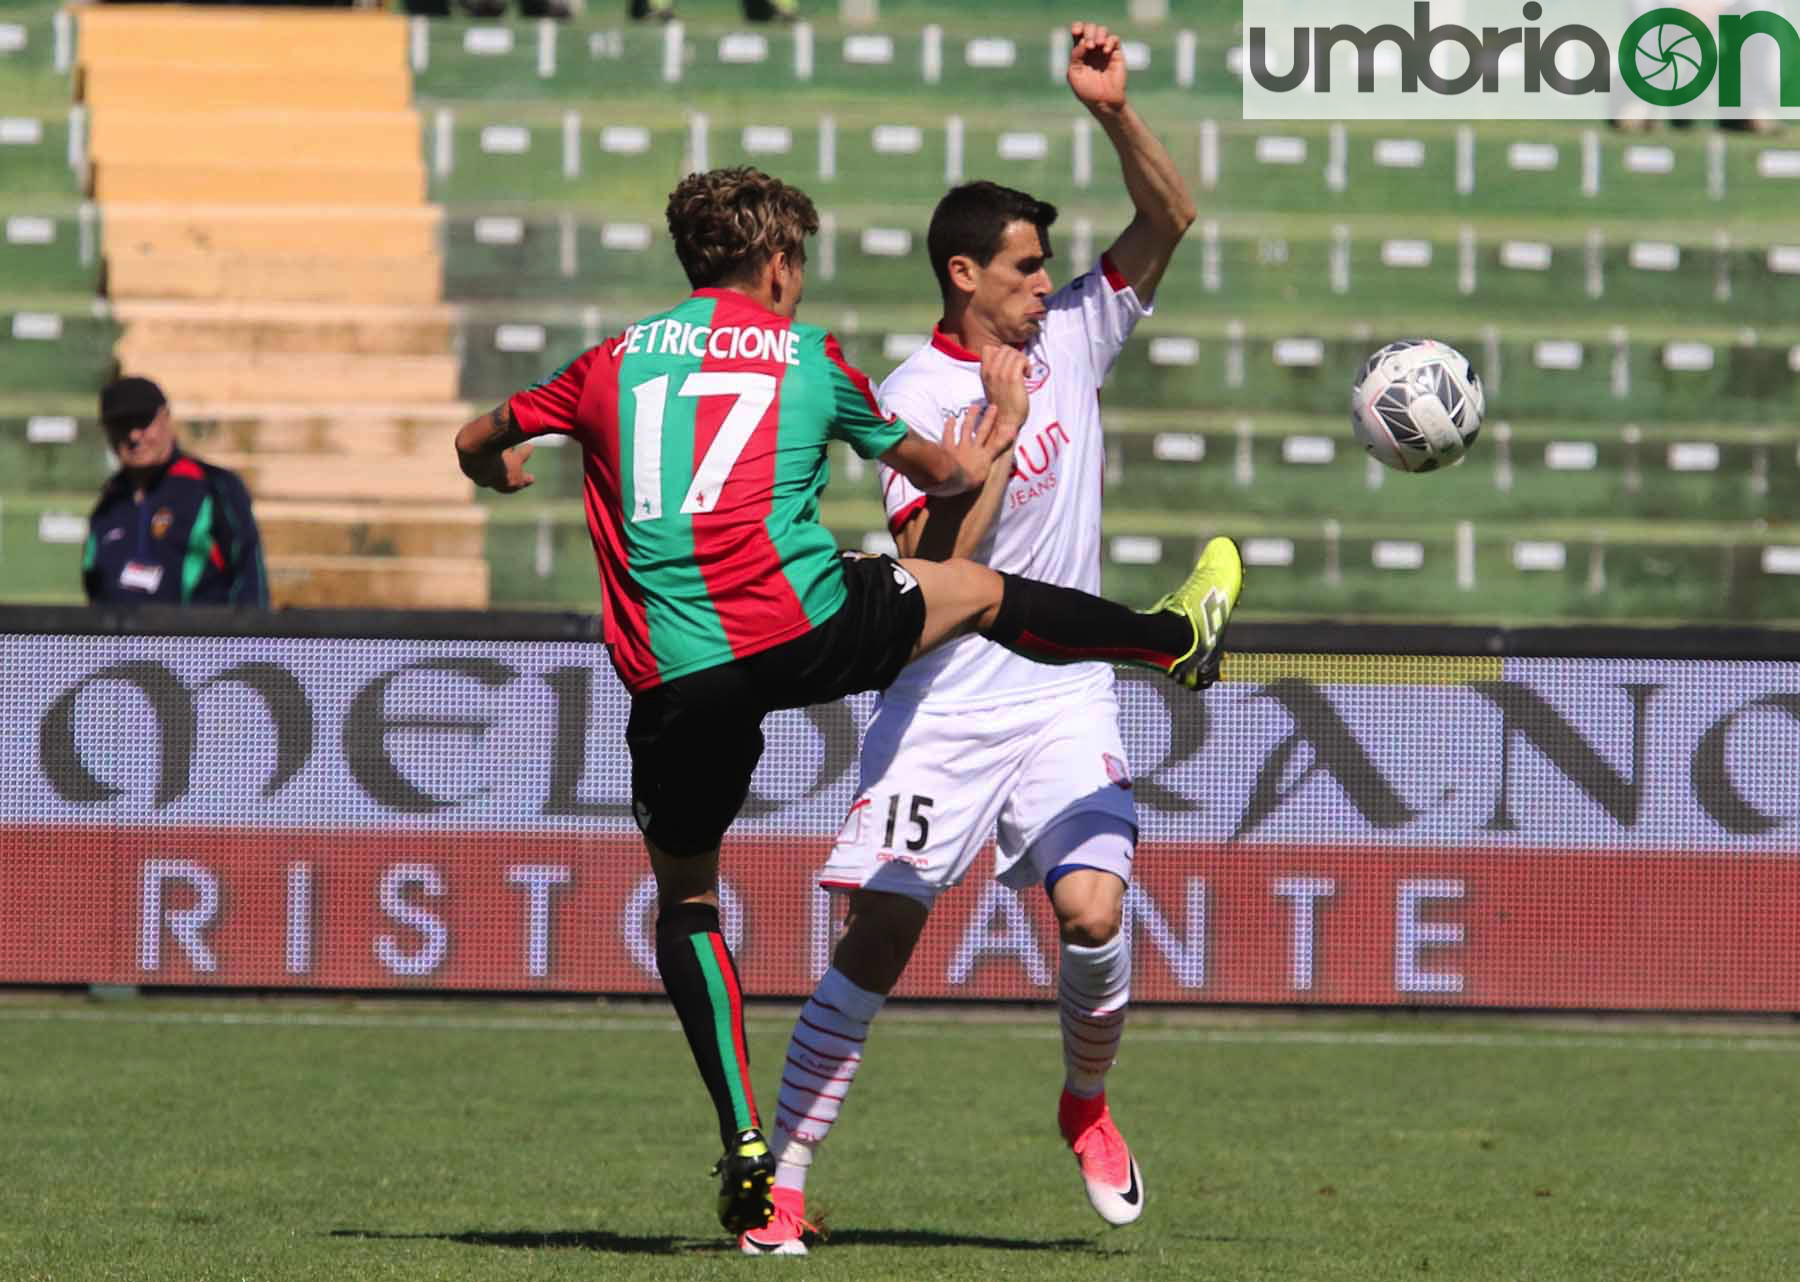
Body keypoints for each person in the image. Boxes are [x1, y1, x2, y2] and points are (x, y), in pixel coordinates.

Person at [452, 165, 1240, 1240]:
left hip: (681, 672)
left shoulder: (611, 360)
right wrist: (997, 430)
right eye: (801, 265)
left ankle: (763, 1147)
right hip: (827, 638)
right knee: (976, 603)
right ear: (778, 266)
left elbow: (477, 439)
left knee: (691, 900)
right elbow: (936, 496)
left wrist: (496, 467)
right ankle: (1171, 638)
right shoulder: (827, 364)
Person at [747, 22, 1206, 1255]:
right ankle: (779, 1178)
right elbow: (937, 569)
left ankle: (1085, 1104)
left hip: (1062, 693)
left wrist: (1113, 112)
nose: (1044, 285)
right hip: (946, 697)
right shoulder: (907, 396)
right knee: (882, 935)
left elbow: (1170, 221)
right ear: (962, 275)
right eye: (1020, 269)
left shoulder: (1073, 336)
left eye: (1047, 266)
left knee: (1097, 909)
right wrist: (994, 437)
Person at [83, 375, 268, 608]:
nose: (133, 436)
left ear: (165, 418)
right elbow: (94, 587)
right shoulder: (109, 502)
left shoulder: (214, 487)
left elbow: (250, 577)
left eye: (142, 422)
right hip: (121, 643)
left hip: (198, 641)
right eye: (121, 425)